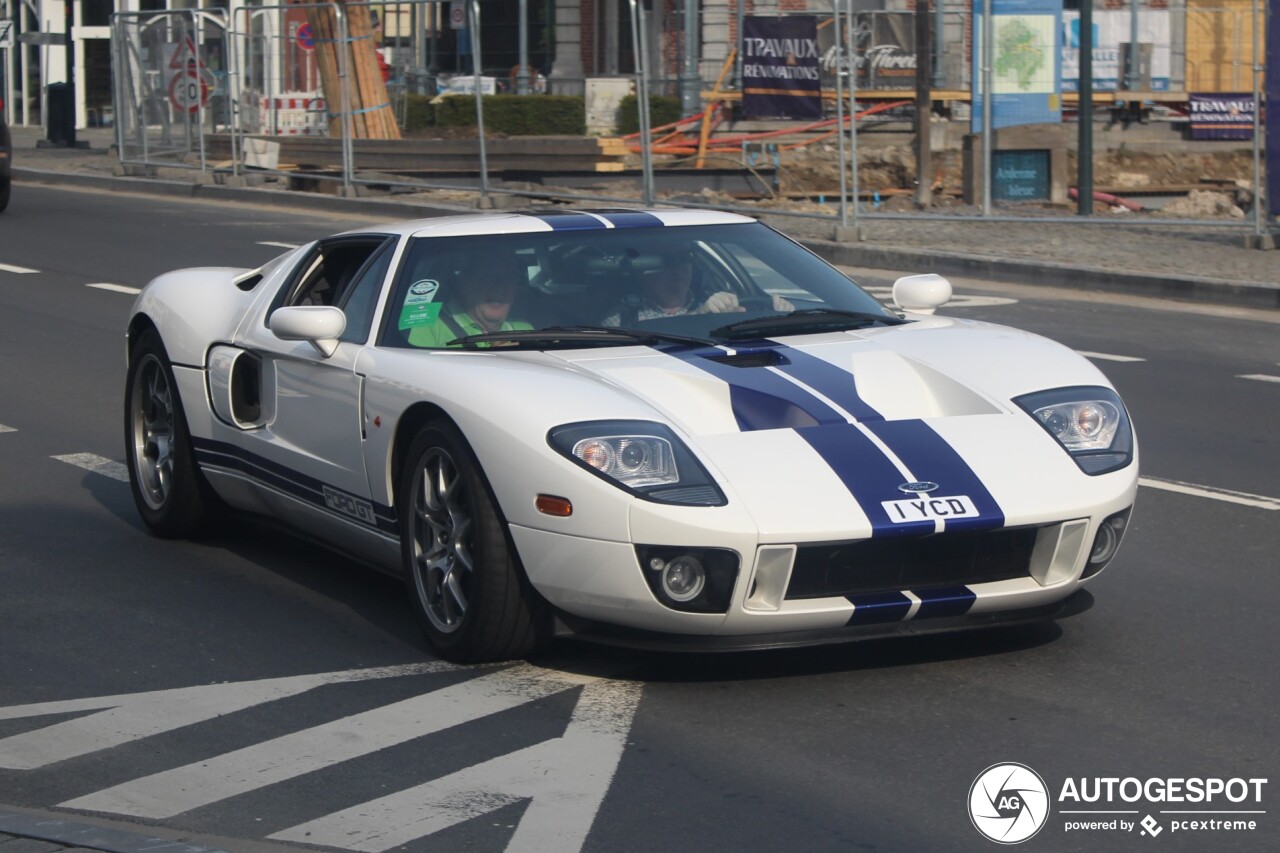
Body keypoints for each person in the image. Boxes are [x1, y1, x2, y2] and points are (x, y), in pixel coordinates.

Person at [601, 247, 792, 326]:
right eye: (665, 262)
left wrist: (780, 316)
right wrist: (700, 317)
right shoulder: (624, 318)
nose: (677, 269)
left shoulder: (717, 304)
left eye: (684, 259)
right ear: (643, 274)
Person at [408, 253, 533, 348]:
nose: (499, 287)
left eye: (508, 279)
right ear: (464, 282)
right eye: (488, 277)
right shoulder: (426, 324)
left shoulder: (524, 330)